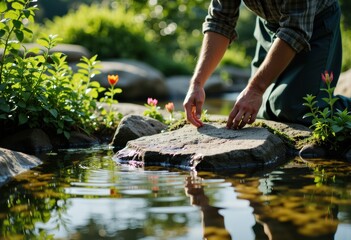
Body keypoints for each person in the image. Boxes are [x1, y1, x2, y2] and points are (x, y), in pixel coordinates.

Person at [183, 0, 349, 129]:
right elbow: (220, 21)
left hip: (316, 23)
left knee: (299, 110)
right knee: (261, 110)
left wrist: (255, 89)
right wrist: (197, 83)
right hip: (269, 24)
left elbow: (294, 30)